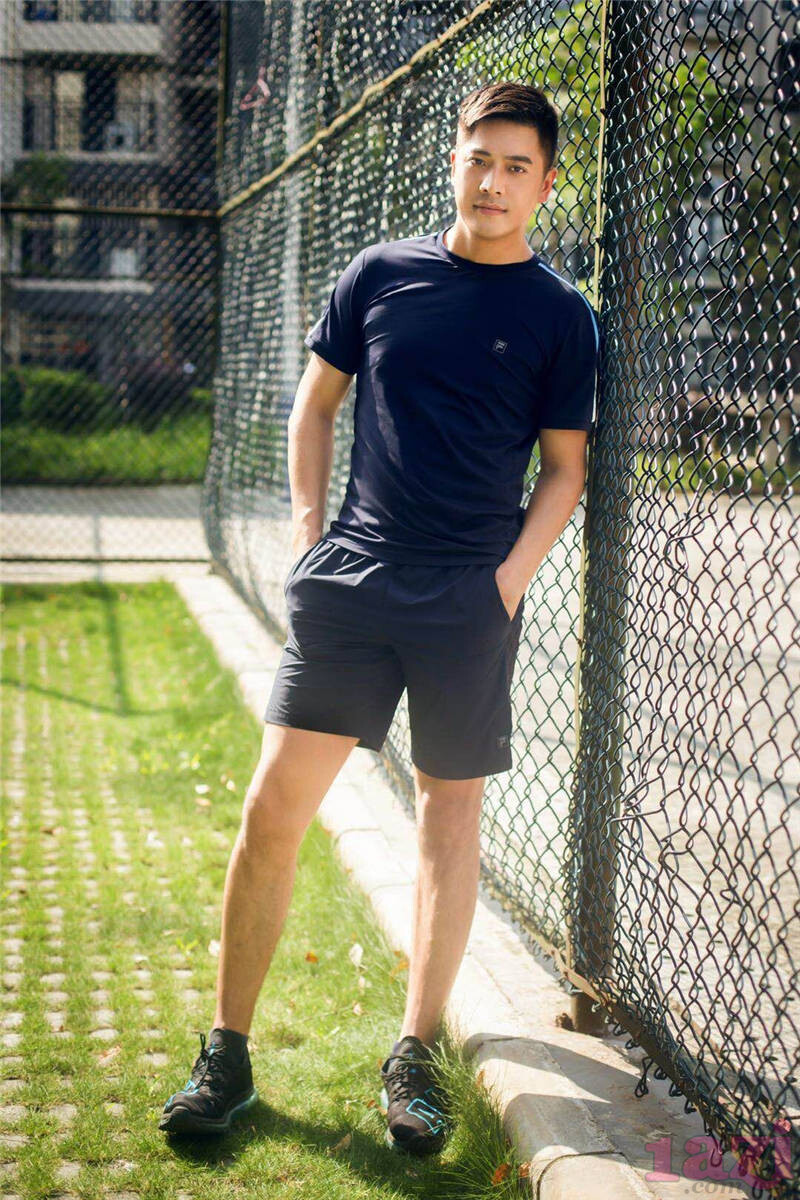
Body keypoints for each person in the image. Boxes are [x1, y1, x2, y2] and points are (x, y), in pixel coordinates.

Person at [159, 80, 599, 1157]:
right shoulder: (380, 274)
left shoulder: (560, 315)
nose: (491, 182)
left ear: (545, 185)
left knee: (447, 823)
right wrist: (309, 537)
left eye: (515, 167)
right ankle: (226, 1055)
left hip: (466, 598)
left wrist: (505, 583)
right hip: (352, 583)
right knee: (273, 808)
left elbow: (564, 468)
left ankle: (413, 1058)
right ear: (454, 160)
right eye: (478, 158)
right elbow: (315, 405)